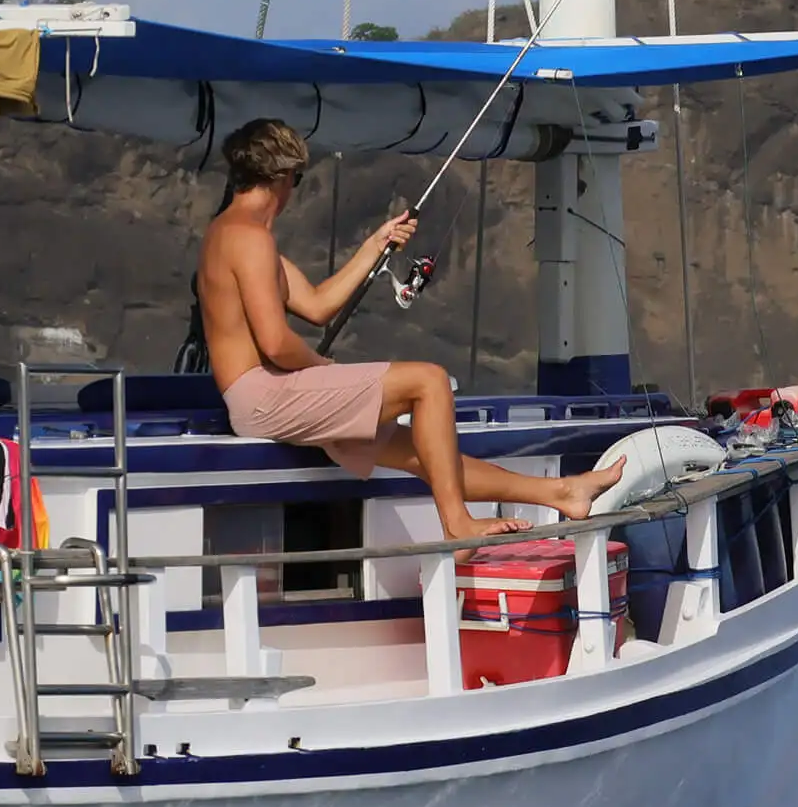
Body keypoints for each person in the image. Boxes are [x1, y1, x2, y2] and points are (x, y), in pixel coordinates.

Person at [197, 118, 620, 539]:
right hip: (264, 396)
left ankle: (561, 492)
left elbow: (317, 305)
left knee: (426, 454)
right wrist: (322, 367)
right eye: (298, 178)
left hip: (260, 396)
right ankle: (457, 526)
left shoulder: (232, 234)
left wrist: (375, 245)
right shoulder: (250, 239)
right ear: (284, 175)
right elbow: (275, 343)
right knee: (429, 381)